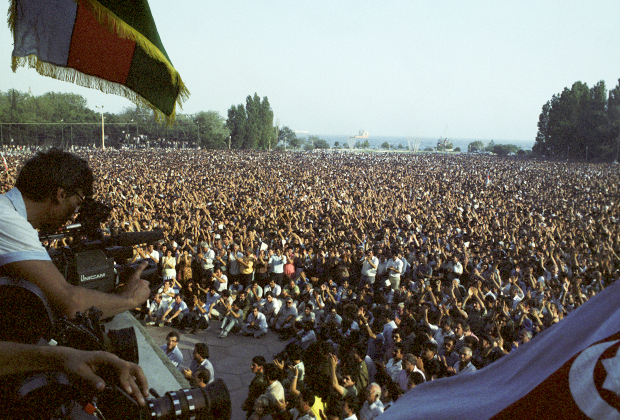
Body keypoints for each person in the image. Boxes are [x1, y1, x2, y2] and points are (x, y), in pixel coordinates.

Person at [0, 148, 150, 319]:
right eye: (78, 202)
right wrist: (128, 299)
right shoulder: (8, 221)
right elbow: (70, 304)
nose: (74, 213)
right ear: (61, 194)